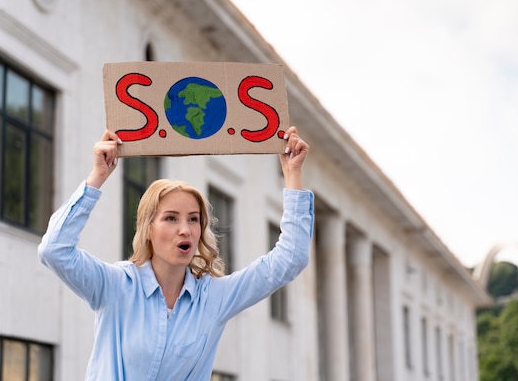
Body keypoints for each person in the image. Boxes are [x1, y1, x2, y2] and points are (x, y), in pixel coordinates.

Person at [38, 126, 314, 380]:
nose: (185, 229)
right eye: (171, 218)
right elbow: (54, 250)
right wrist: (97, 176)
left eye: (193, 219)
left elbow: (291, 258)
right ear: (148, 228)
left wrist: (293, 174)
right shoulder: (115, 285)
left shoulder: (213, 299)